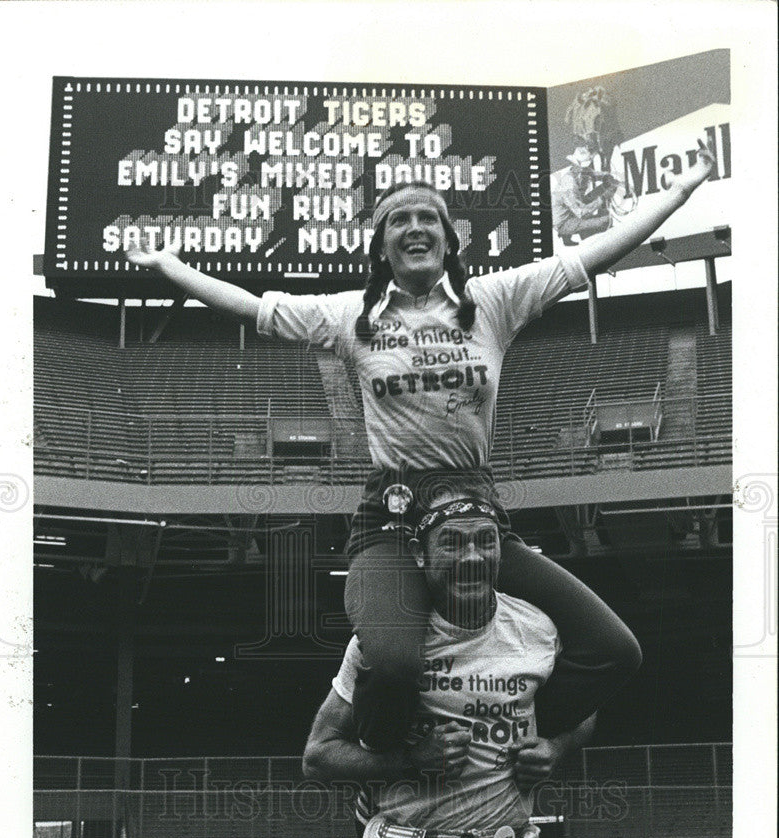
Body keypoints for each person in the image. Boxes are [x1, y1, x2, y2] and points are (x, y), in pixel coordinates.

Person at [126, 140, 715, 750]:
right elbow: (256, 309)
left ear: (448, 238)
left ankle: (510, 742)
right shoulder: (348, 315)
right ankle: (384, 768)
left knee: (614, 649)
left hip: (478, 516)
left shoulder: (492, 302)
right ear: (381, 245)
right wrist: (173, 269)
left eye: (427, 216)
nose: (414, 227)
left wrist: (678, 192)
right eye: (398, 220)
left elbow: (590, 256)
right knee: (394, 661)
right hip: (393, 519)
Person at [303, 492, 597, 838]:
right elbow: (317, 756)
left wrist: (555, 747)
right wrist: (409, 762)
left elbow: (585, 711)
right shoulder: (385, 645)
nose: (473, 557)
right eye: (452, 543)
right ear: (421, 554)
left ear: (502, 549)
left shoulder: (537, 630)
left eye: (485, 541)